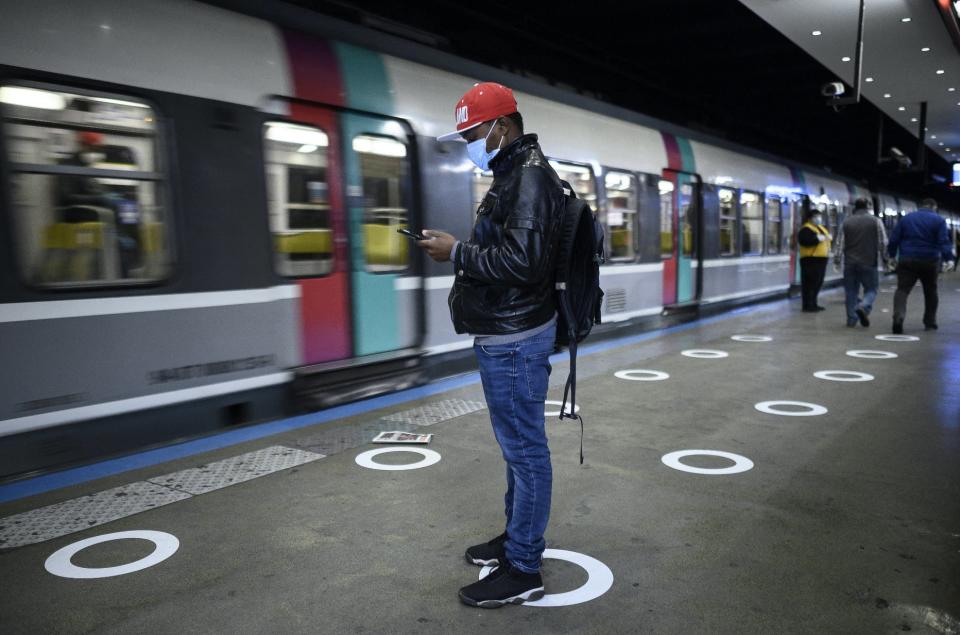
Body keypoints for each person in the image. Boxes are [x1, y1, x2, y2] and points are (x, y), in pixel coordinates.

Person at [417, 82, 564, 608]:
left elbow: (524, 265)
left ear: (502, 126)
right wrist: (461, 249)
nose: (469, 142)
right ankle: (515, 537)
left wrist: (457, 253)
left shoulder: (527, 180)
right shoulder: (510, 176)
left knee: (526, 450)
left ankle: (524, 567)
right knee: (516, 448)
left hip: (517, 337)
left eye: (473, 132)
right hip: (507, 333)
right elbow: (510, 251)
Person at [887, 198, 955, 333]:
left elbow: (894, 239)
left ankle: (899, 316)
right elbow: (943, 241)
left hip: (907, 259)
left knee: (902, 290)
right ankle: (930, 322)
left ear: (921, 206)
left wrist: (892, 256)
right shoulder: (939, 220)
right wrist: (949, 259)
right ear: (933, 207)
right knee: (930, 291)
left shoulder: (906, 219)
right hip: (930, 261)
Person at [833, 198, 888, 327]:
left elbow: (839, 243)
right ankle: (863, 306)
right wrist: (885, 259)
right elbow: (883, 243)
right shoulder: (876, 221)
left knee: (851, 291)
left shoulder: (846, 222)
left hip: (850, 263)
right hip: (869, 262)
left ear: (855, 207)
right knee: (871, 289)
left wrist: (837, 260)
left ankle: (851, 319)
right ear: (868, 207)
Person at [796, 207, 832, 312]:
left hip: (821, 259)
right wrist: (817, 238)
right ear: (810, 218)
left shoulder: (820, 228)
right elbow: (805, 241)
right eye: (816, 217)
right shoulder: (806, 229)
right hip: (810, 259)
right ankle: (808, 305)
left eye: (819, 216)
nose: (818, 219)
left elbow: (825, 238)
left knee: (817, 282)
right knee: (810, 284)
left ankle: (814, 303)